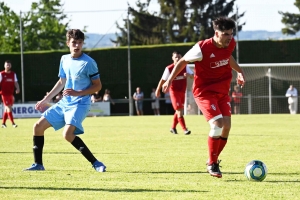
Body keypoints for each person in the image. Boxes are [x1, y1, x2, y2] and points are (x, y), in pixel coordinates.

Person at [161, 17, 246, 178]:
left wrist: (239, 71)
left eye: (231, 34)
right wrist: (169, 80)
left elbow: (228, 58)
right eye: (226, 34)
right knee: (218, 124)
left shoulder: (230, 44)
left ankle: (212, 160)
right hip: (204, 92)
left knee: (226, 126)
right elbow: (182, 62)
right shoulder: (202, 48)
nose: (229, 37)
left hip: (222, 91)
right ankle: (213, 163)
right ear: (216, 33)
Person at [23, 29, 106, 172]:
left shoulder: (89, 63)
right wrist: (45, 100)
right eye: (74, 42)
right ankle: (38, 164)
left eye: (80, 42)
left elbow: (98, 86)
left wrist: (77, 92)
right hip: (64, 102)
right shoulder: (64, 59)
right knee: (37, 127)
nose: (77, 46)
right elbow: (61, 82)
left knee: (67, 134)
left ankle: (96, 163)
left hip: (80, 103)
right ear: (68, 43)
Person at [155, 51, 193, 135]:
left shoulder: (185, 66)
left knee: (178, 110)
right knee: (179, 110)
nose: (178, 59)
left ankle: (173, 127)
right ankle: (185, 129)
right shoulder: (169, 68)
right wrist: (158, 90)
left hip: (183, 92)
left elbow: (193, 75)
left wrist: (189, 75)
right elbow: (163, 80)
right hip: (174, 92)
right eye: (176, 57)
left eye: (179, 57)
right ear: (172, 58)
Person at [0, 60, 20, 128]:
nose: (8, 66)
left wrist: (18, 88)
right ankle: (13, 123)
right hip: (4, 94)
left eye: (9, 65)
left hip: (10, 94)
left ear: (11, 66)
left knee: (6, 109)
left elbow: (16, 82)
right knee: (9, 107)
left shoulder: (13, 74)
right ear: (4, 66)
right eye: (6, 65)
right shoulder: (1, 74)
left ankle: (3, 124)